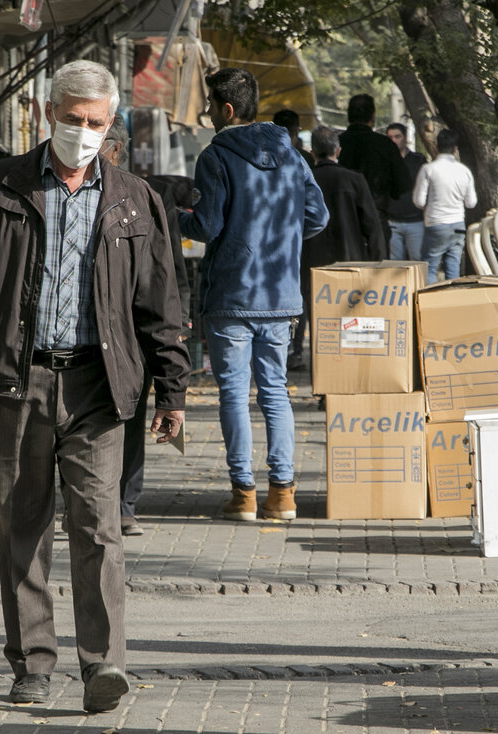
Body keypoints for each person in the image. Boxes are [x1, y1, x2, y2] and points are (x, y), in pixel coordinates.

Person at [0, 60, 190, 714]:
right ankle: (32, 663)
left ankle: (104, 664)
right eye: (74, 119)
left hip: (99, 386)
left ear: (111, 123)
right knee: (24, 525)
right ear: (48, 113)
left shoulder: (134, 198)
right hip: (15, 380)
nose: (85, 132)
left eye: (97, 123)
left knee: (99, 525)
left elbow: (160, 300)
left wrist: (171, 391)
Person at [179, 67, 328, 523]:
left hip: (231, 294)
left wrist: (172, 216)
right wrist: (280, 240)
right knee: (276, 393)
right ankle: (283, 494)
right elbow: (317, 217)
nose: (205, 111)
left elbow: (207, 226)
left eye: (208, 103)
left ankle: (243, 493)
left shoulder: (215, 156)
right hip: (280, 293)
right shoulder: (293, 155)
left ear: (226, 109)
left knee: (233, 394)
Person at [100, 117, 193, 536]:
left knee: (132, 412)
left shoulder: (144, 198)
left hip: (134, 328)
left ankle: (123, 502)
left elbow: (170, 267)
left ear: (116, 151)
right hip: (85, 334)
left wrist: (179, 317)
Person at [292, 125, 386, 368]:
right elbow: (372, 226)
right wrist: (378, 265)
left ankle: (323, 379)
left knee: (319, 324)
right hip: (350, 261)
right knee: (352, 320)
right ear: (338, 150)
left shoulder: (302, 182)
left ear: (313, 152)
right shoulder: (354, 180)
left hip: (311, 262)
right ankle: (351, 374)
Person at [337, 94, 410, 241]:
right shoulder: (385, 145)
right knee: (377, 262)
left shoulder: (337, 143)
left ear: (349, 116)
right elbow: (403, 183)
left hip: (342, 218)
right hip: (376, 215)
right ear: (372, 117)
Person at [413, 128, 477, 283]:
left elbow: (419, 201)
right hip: (458, 225)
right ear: (455, 149)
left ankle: (429, 303)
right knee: (453, 266)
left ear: (436, 146)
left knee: (430, 267)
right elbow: (471, 203)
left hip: (436, 224)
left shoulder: (428, 169)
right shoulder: (464, 171)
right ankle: (452, 302)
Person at [384, 121, 427, 261]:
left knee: (418, 262)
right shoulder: (383, 162)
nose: (394, 141)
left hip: (416, 221)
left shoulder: (418, 160)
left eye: (397, 136)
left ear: (405, 137)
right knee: (394, 265)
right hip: (392, 222)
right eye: (390, 137)